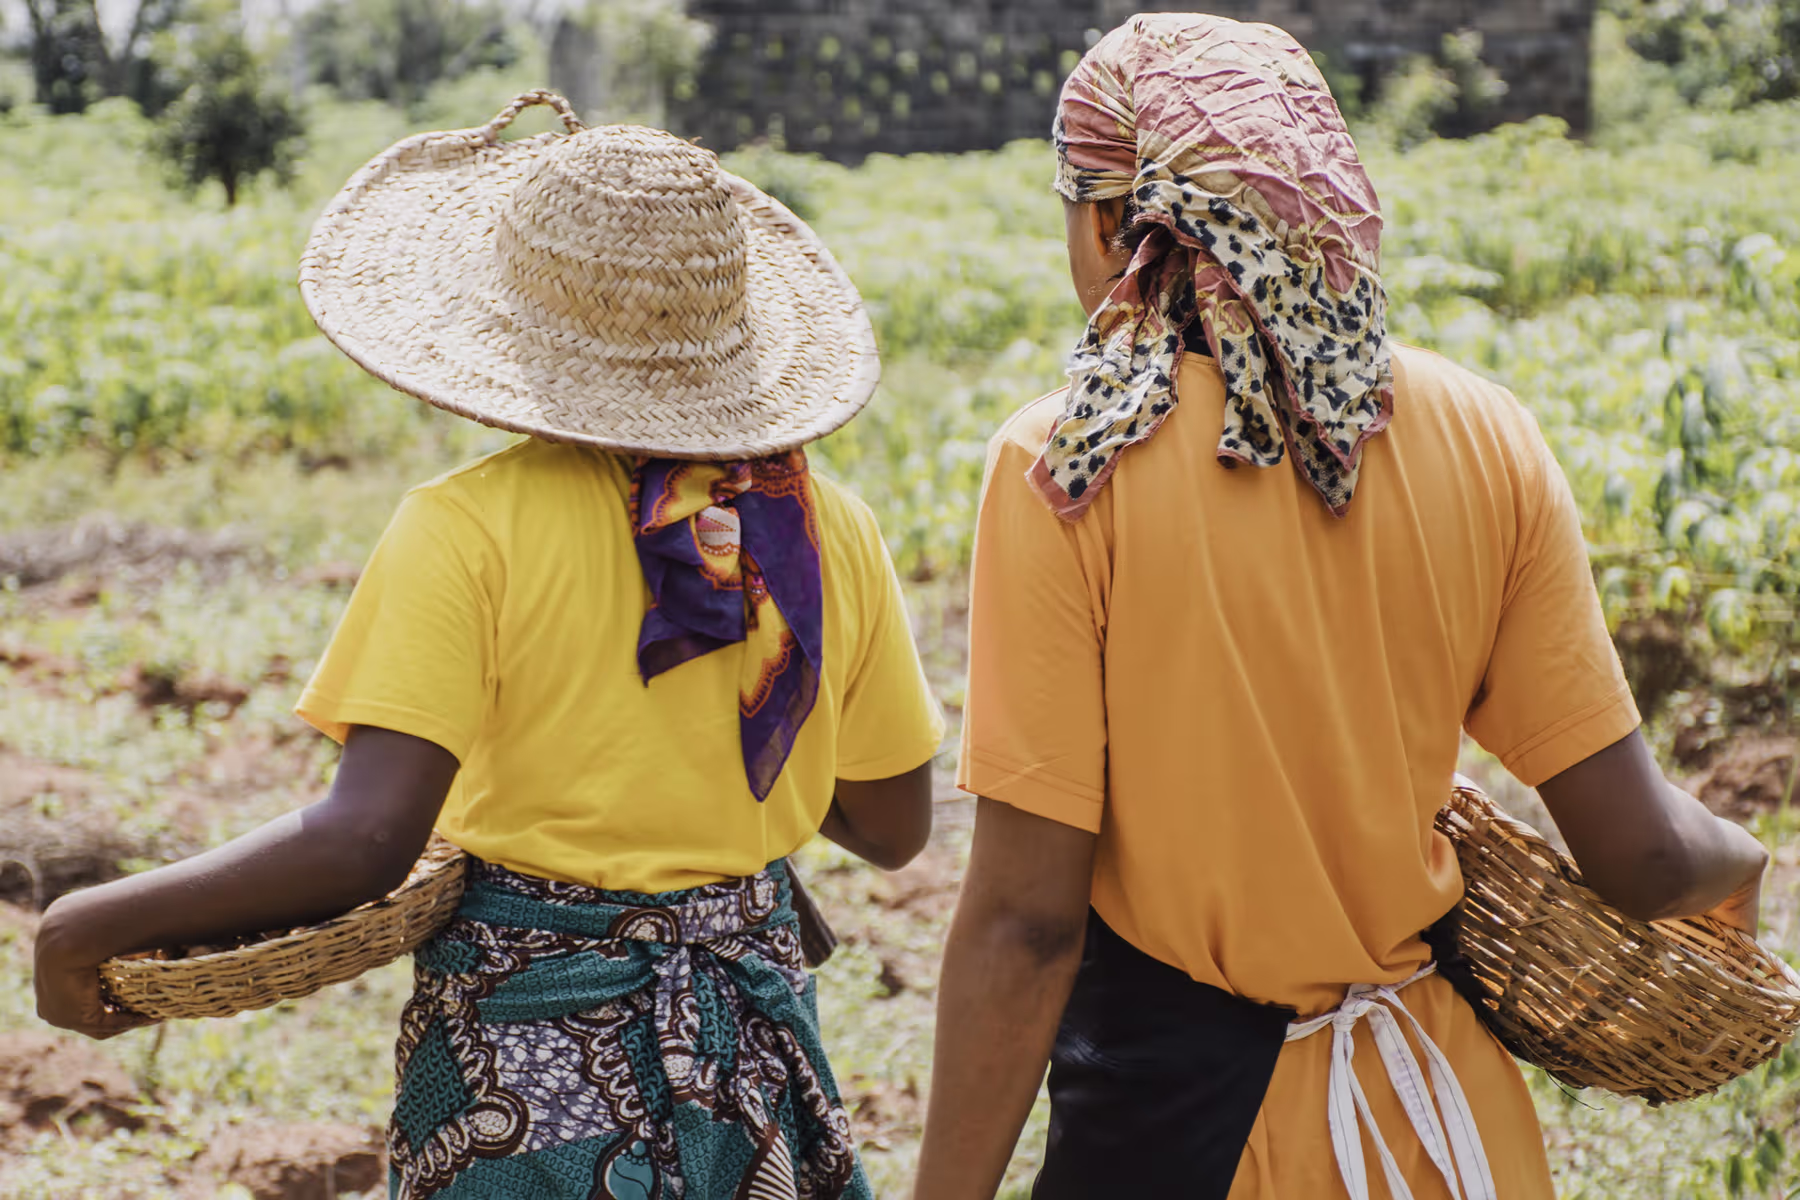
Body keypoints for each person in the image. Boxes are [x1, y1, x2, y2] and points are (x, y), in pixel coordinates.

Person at [912, 16, 1768, 1200]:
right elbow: (1644, 854)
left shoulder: (1068, 466)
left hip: (1183, 1140)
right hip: (1441, 1129)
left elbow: (1027, 926)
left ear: (1110, 224)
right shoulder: (1484, 434)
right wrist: (1742, 856)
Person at [34, 91, 945, 1200]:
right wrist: (735, 762)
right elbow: (892, 826)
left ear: (508, 324)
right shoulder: (821, 529)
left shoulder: (465, 528)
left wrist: (87, 922)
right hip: (749, 1060)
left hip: (525, 1071)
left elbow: (367, 838)